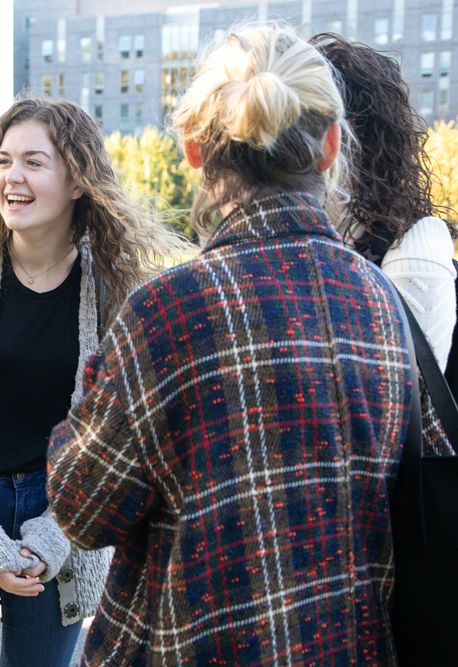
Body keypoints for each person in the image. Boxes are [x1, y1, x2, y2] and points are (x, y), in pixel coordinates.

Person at [48, 24, 412, 665]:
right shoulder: (380, 298)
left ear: (192, 147)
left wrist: (91, 389)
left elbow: (84, 507)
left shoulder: (168, 311)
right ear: (330, 146)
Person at [0, 99, 189, 667]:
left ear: (77, 180)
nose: (11, 178)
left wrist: (56, 534)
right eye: (2, 161)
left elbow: (122, 436)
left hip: (62, 518)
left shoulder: (118, 291)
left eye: (33, 162)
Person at [311, 32, 458, 456]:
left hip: (392, 501)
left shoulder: (414, 250)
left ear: (347, 135)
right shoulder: (327, 229)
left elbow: (396, 416)